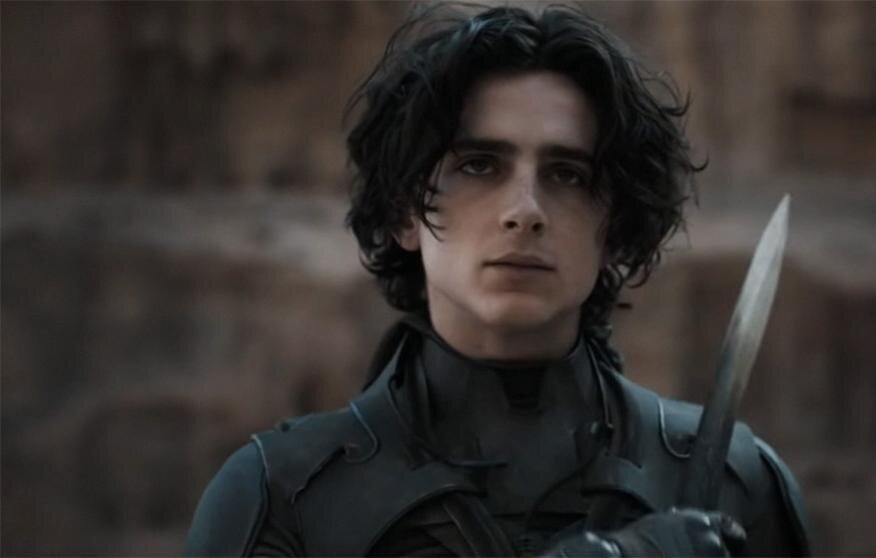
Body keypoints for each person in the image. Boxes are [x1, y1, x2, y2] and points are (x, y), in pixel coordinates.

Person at [186, 4, 811, 557]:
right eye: (479, 165)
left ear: (615, 227)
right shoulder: (282, 495)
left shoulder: (740, 483)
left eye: (568, 174)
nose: (525, 210)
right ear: (405, 213)